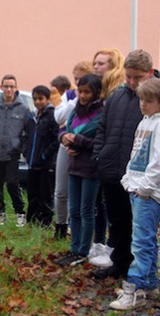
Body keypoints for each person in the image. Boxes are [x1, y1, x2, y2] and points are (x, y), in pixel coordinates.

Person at [109, 78, 160, 310]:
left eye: (148, 101)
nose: (143, 104)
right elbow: (136, 154)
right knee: (144, 238)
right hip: (137, 188)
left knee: (140, 242)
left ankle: (134, 288)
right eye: (141, 99)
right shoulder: (145, 122)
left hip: (150, 193)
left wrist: (146, 188)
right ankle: (149, 284)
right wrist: (128, 180)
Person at [92, 49, 155, 280]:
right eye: (128, 76)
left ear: (149, 73)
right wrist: (99, 156)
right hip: (112, 169)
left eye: (137, 77)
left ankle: (139, 271)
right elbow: (103, 128)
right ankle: (119, 264)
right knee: (117, 220)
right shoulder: (117, 96)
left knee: (137, 225)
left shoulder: (155, 98)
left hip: (138, 174)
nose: (131, 82)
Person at [55, 74, 104, 267]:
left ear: (96, 93)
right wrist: (64, 138)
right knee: (73, 210)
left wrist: (77, 141)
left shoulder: (101, 113)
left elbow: (100, 142)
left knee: (86, 210)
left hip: (91, 168)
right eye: (80, 91)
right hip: (73, 166)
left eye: (87, 92)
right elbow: (63, 130)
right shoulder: (75, 111)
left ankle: (83, 250)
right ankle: (74, 248)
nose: (82, 96)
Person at [88, 48, 126, 268]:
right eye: (95, 63)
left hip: (113, 156)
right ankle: (100, 243)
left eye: (101, 64)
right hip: (101, 153)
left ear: (113, 67)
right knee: (100, 201)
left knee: (112, 205)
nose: (96, 67)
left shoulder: (117, 91)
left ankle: (112, 246)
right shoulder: (98, 89)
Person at [53, 61, 94, 239]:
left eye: (81, 79)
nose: (77, 83)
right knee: (61, 190)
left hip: (85, 149)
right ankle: (60, 225)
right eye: (75, 79)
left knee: (78, 193)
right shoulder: (70, 95)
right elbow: (59, 117)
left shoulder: (97, 98)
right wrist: (74, 100)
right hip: (66, 145)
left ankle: (75, 228)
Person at [0, 74, 30, 227]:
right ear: (1, 87)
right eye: (6, 86)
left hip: (12, 154)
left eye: (11, 86)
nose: (8, 89)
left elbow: (28, 132)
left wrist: (19, 146)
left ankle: (20, 213)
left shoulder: (24, 110)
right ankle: (0, 213)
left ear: (16, 88)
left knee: (12, 183)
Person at [24, 85, 59, 226]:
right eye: (35, 99)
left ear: (48, 99)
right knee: (32, 194)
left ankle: (46, 222)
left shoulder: (52, 116)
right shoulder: (32, 117)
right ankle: (32, 220)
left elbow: (56, 139)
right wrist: (26, 152)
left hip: (46, 164)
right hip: (32, 163)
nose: (38, 102)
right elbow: (26, 136)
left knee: (45, 195)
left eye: (41, 99)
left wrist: (45, 155)